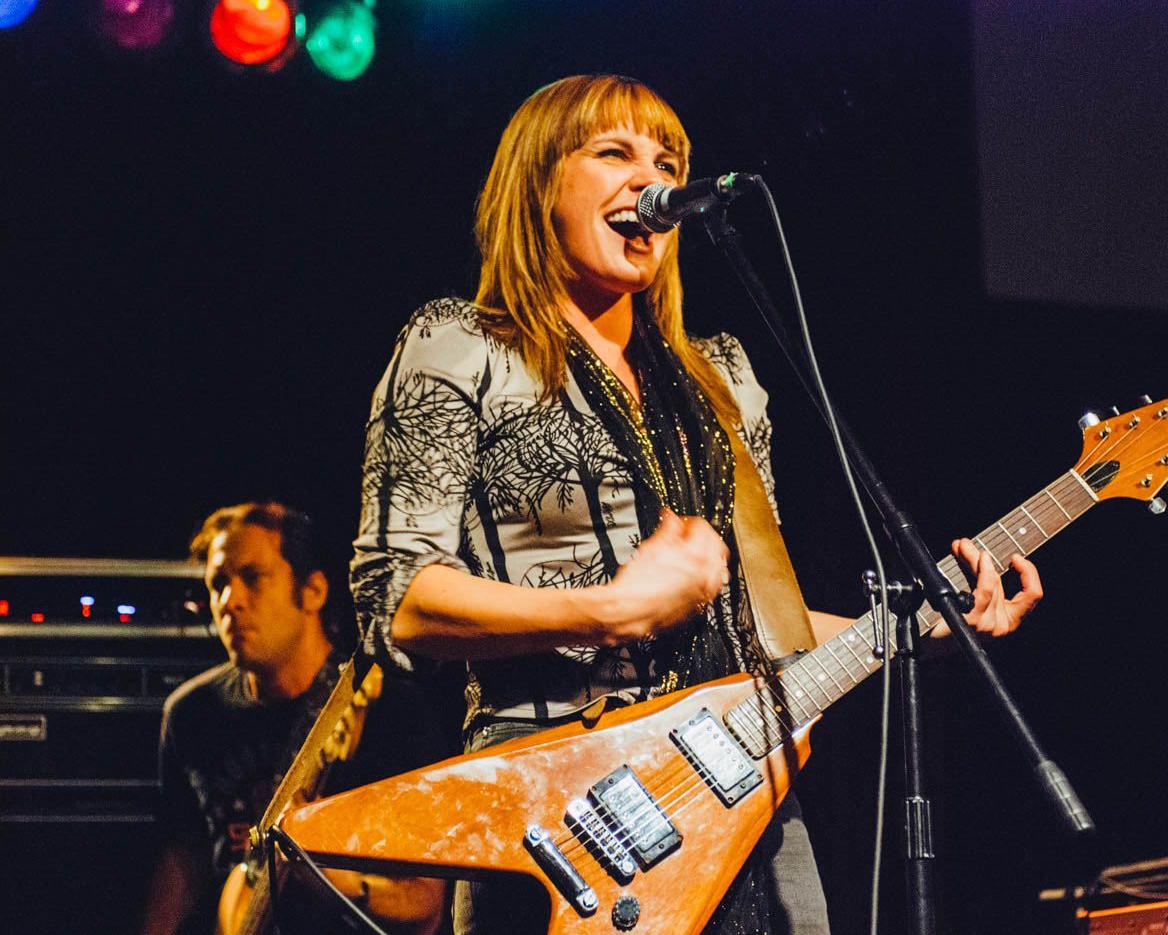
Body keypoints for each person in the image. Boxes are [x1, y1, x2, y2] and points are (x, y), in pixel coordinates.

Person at [350, 74, 1043, 935]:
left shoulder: (723, 379)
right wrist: (612, 608)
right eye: (615, 153)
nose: (650, 181)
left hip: (742, 803)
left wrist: (924, 623)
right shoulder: (458, 343)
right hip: (559, 809)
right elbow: (397, 596)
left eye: (667, 161)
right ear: (538, 184)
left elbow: (768, 622)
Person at [141, 502, 451, 935]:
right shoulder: (192, 714)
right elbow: (182, 858)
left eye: (252, 577)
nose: (229, 602)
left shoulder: (384, 705)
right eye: (218, 584)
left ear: (313, 591)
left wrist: (324, 876)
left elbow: (424, 904)